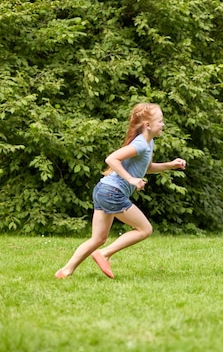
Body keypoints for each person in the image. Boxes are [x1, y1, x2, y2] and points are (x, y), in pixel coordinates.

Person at [55, 103, 186, 279]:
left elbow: (145, 168)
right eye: (160, 121)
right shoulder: (140, 144)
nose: (163, 124)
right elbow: (111, 159)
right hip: (112, 192)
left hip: (103, 190)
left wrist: (170, 165)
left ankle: (65, 271)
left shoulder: (149, 143)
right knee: (144, 229)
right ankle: (104, 254)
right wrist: (131, 179)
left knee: (98, 238)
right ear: (148, 125)